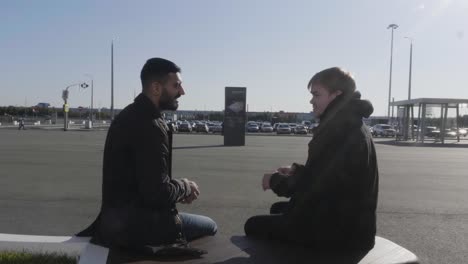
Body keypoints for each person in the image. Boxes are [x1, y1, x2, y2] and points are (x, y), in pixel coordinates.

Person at [77, 58, 217, 252]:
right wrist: (185, 187)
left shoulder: (129, 114)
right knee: (210, 225)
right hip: (136, 226)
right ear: (155, 88)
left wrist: (176, 189)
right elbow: (157, 194)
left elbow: (147, 183)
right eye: (176, 85)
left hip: (117, 220)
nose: (182, 92)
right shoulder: (149, 125)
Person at [244, 67, 378, 251]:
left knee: (252, 225)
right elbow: (329, 176)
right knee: (278, 209)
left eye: (316, 94)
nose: (311, 100)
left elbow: (314, 186)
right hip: (351, 225)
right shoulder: (351, 123)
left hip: (340, 234)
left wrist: (274, 180)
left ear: (335, 95)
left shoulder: (338, 129)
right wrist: (295, 171)